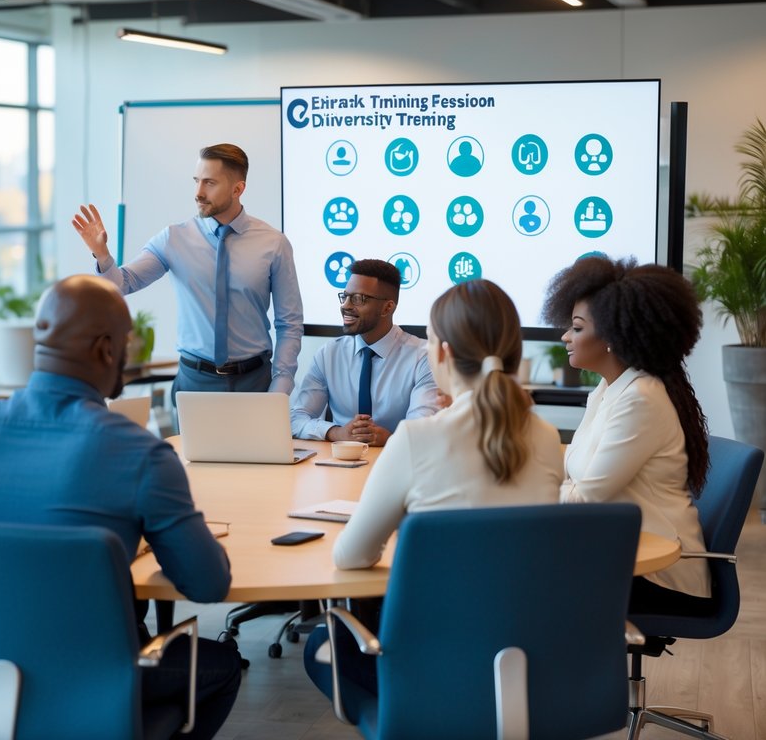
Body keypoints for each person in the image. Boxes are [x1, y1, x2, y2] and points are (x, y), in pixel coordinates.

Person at [0, 275, 242, 739]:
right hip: (92, 671)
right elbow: (207, 583)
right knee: (222, 665)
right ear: (107, 349)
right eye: (127, 344)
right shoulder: (140, 454)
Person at [303, 279, 564, 701]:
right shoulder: (548, 438)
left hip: (432, 667)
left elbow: (350, 557)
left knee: (322, 644)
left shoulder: (415, 439)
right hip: (528, 659)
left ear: (441, 352)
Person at [543, 255, 712, 614]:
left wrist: (520, 491)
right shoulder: (608, 390)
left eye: (576, 327)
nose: (565, 336)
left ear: (611, 336)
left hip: (658, 571)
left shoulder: (640, 398)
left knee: (521, 584)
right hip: (621, 551)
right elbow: (572, 471)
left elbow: (588, 497)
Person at [73, 143, 304, 397]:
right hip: (195, 383)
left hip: (255, 382)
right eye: (197, 181)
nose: (198, 192)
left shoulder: (274, 243)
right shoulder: (173, 239)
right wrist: (102, 254)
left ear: (238, 189)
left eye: (210, 183)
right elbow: (122, 284)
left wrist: (280, 387)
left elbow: (289, 323)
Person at [290, 259, 440, 447]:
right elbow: (296, 420)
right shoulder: (328, 355)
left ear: (388, 307)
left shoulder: (423, 356)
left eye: (358, 298)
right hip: (338, 465)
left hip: (399, 464)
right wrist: (337, 432)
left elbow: (424, 428)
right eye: (344, 296)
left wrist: (390, 439)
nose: (346, 305)